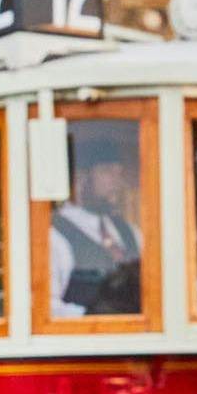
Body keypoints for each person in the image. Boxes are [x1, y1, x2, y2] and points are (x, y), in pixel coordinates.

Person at [48, 129, 143, 317]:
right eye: (107, 171)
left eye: (119, 173)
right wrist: (90, 315)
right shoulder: (53, 235)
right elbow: (46, 307)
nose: (116, 182)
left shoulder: (130, 232)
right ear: (80, 178)